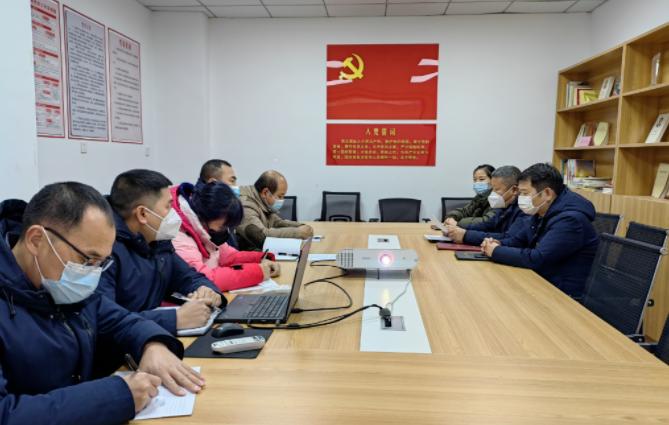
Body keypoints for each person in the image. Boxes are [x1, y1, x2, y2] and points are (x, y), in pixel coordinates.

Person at [0, 183, 206, 424]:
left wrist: (152, 346)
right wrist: (116, 397)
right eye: (87, 259)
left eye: (101, 263)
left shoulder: (61, 286)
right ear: (36, 240)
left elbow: (121, 321)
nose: (92, 273)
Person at [98, 169, 226, 336]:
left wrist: (207, 290)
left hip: (150, 337)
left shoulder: (158, 241)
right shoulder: (103, 251)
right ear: (142, 214)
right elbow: (105, 320)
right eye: (168, 206)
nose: (174, 213)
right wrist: (176, 319)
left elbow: (187, 276)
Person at [481, 163, 599, 297]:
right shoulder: (541, 212)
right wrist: (496, 244)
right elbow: (518, 241)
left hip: (562, 293)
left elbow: (537, 258)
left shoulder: (571, 220)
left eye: (525, 193)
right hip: (542, 281)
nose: (520, 198)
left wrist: (496, 251)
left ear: (547, 193)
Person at [171, 181, 281, 292]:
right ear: (206, 215)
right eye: (222, 226)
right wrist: (257, 272)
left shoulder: (207, 228)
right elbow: (203, 279)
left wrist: (261, 259)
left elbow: (229, 256)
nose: (225, 230)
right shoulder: (178, 236)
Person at [444, 166, 528, 246]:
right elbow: (488, 225)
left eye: (496, 189)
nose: (492, 193)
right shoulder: (504, 205)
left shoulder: (524, 209)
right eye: (492, 189)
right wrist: (456, 230)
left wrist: (465, 235)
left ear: (514, 190)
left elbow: (509, 238)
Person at [236, 171, 313, 251]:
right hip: (250, 255)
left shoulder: (262, 201)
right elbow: (260, 236)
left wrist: (300, 226)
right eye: (280, 196)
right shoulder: (245, 206)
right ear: (265, 193)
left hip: (262, 252)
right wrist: (297, 232)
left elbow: (277, 223)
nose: (282, 200)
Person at [195, 159, 240, 248]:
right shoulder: (203, 208)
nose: (236, 186)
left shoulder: (224, 204)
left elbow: (229, 251)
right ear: (213, 183)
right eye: (232, 181)